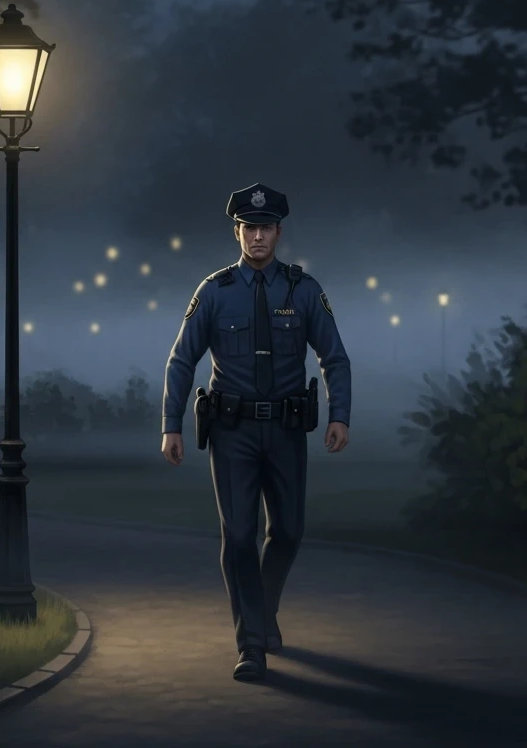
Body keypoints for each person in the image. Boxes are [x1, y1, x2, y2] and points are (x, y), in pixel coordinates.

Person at [160, 182, 351, 682]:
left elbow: (334, 358)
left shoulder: (303, 290)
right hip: (233, 431)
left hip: (287, 430)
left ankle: (262, 611)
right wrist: (170, 425)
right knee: (240, 534)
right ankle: (251, 644)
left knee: (288, 531)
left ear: (279, 232)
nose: (258, 237)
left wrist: (339, 416)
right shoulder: (215, 291)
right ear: (237, 231)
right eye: (250, 228)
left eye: (266, 228)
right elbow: (182, 360)